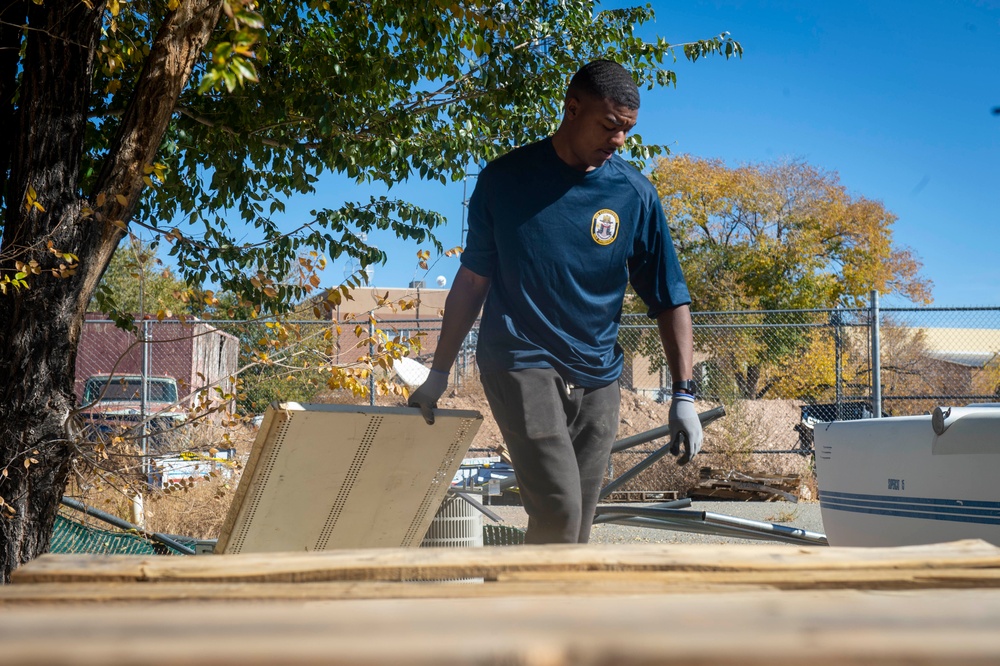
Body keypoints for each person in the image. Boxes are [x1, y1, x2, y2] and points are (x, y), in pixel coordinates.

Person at [408, 59, 703, 544]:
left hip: (599, 372)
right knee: (561, 509)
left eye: (627, 131)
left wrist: (683, 394)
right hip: (519, 360)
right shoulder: (506, 180)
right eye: (609, 126)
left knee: (575, 525)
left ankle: (530, 611)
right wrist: (438, 374)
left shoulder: (633, 194)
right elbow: (473, 279)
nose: (619, 141)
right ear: (571, 108)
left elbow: (670, 297)